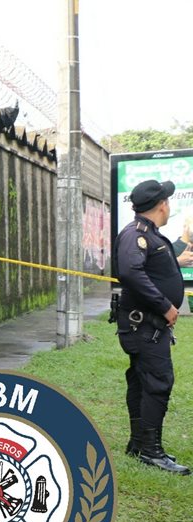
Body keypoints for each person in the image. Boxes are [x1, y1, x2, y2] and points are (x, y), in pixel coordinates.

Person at [115, 178, 190, 475]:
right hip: (145, 326)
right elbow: (130, 272)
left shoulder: (150, 235)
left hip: (148, 326)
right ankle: (150, 451)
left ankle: (138, 444)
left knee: (142, 381)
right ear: (162, 204)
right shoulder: (136, 234)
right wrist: (166, 306)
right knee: (158, 382)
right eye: (168, 201)